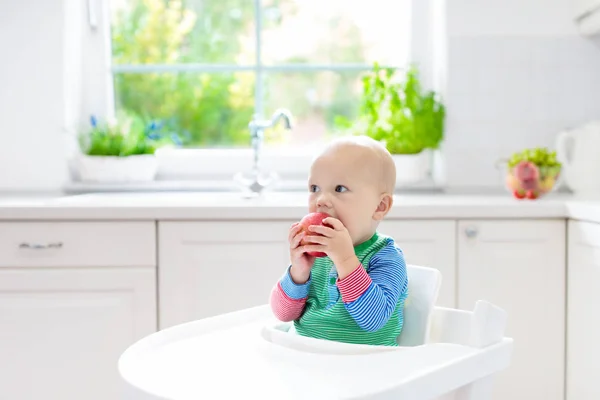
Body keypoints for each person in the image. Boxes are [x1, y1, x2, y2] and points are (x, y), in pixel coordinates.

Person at [269, 135, 409, 347]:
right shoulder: (315, 253)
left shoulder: (386, 256)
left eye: (339, 189)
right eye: (314, 188)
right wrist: (298, 273)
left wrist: (345, 260)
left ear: (379, 206)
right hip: (304, 356)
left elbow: (374, 319)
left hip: (364, 366)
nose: (321, 200)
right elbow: (283, 314)